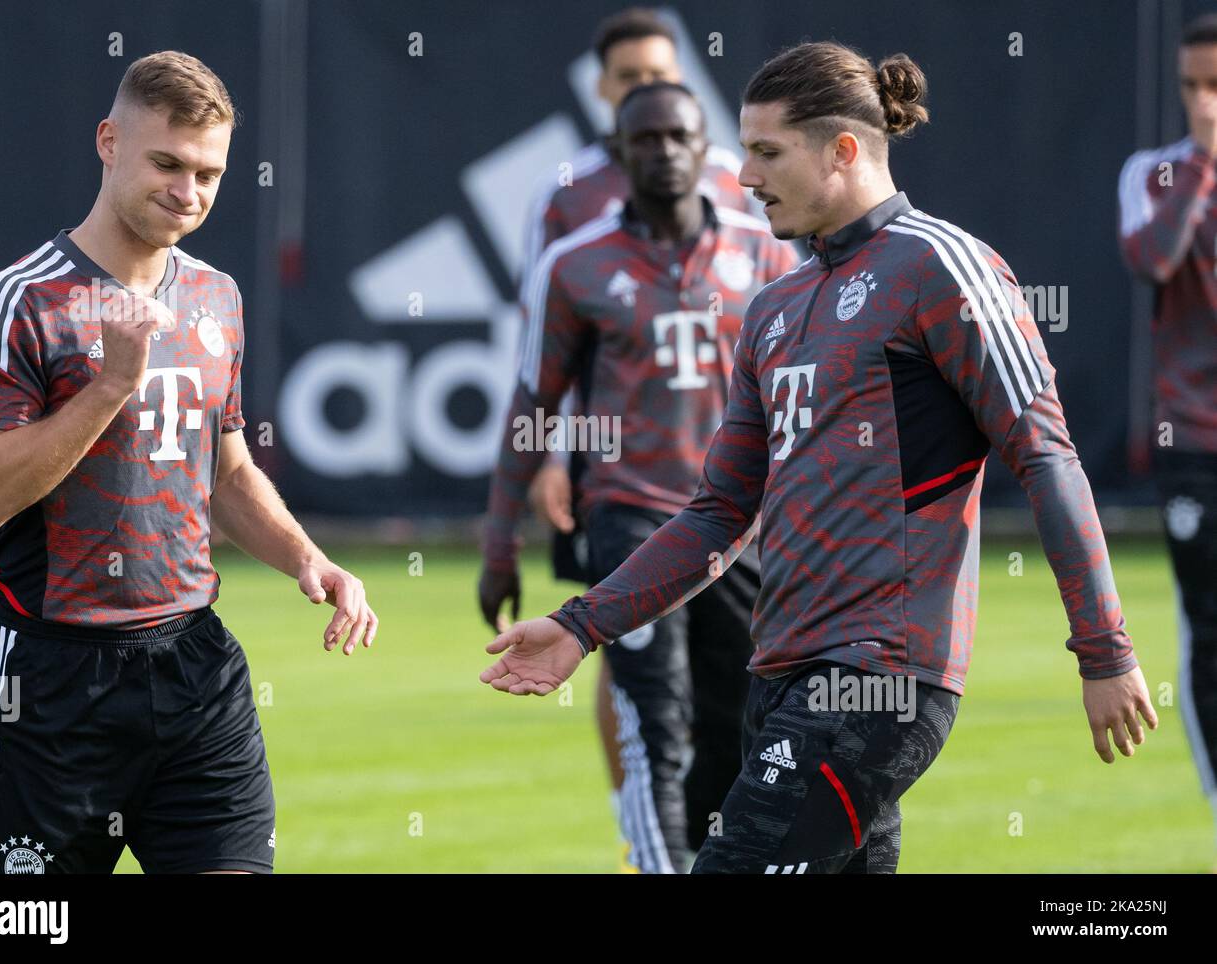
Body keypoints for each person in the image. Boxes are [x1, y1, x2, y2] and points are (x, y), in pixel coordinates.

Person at [483, 41, 1156, 873]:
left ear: (842, 151)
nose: (743, 176)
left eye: (766, 152)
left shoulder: (943, 266)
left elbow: (1047, 457)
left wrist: (1105, 650)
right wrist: (583, 625)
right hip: (780, 676)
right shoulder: (772, 308)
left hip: (881, 681)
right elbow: (718, 515)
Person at [0, 50, 377, 875]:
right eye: (168, 165)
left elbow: (227, 471)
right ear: (109, 142)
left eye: (209, 174)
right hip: (51, 680)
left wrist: (309, 561)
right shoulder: (23, 300)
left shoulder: (217, 295)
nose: (189, 193)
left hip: (196, 668)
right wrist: (111, 384)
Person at [482, 82, 795, 872]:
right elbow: (532, 408)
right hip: (626, 520)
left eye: (678, 136)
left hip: (737, 525)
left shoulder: (765, 250)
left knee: (734, 723)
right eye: (645, 139)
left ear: (705, 147)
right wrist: (499, 544)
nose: (663, 151)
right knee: (654, 718)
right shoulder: (575, 263)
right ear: (620, 155)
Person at [1117, 12, 1217, 864]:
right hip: (1196, 442)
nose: (1202, 102)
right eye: (1191, 86)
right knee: (1209, 629)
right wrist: (1204, 167)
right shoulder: (1152, 173)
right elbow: (1154, 259)